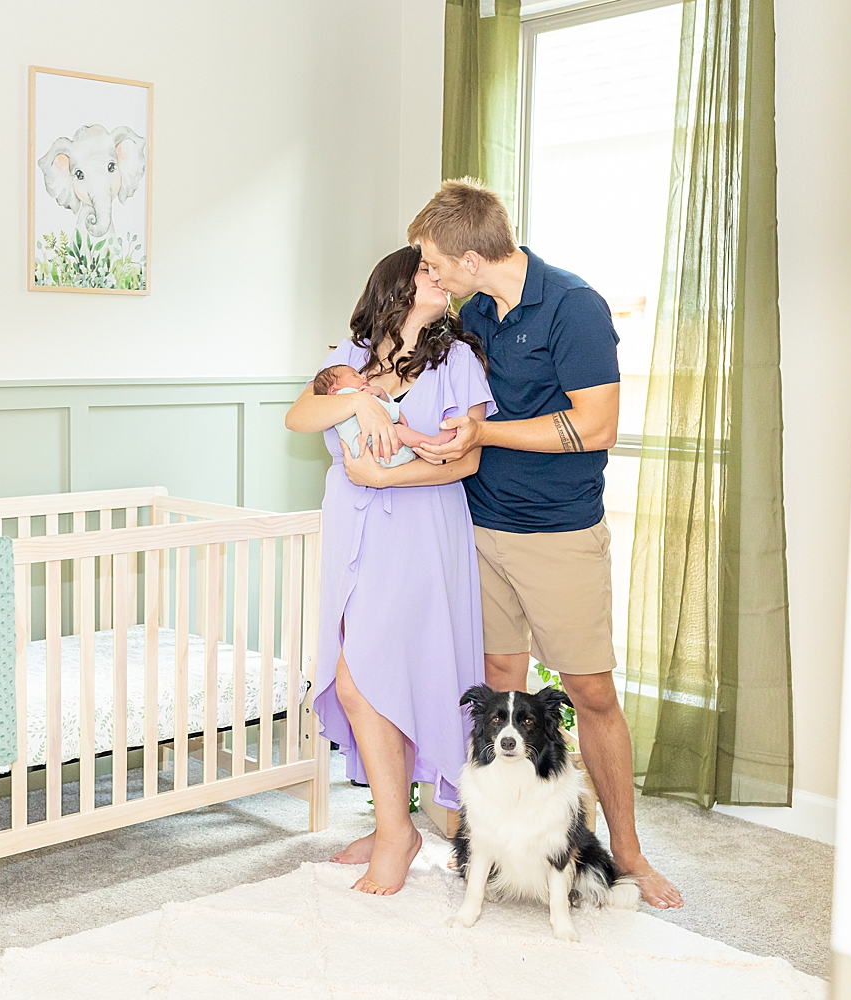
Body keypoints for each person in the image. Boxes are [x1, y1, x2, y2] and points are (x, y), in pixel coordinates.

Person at [408, 177, 684, 910]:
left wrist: (485, 432)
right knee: (503, 690)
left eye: (435, 263)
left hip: (558, 532)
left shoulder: (573, 306)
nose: (430, 277)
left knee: (590, 692)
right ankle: (501, 843)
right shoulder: (477, 314)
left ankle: (627, 853)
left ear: (471, 257)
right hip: (480, 523)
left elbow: (595, 428)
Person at [285, 245, 496, 895]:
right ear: (396, 284)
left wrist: (384, 473)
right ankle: (390, 825)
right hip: (356, 532)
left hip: (421, 533)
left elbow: (463, 462)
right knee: (376, 681)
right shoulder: (346, 364)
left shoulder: (458, 361)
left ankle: (397, 834)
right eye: (428, 270)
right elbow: (300, 417)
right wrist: (361, 405)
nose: (442, 279)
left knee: (362, 682)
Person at [311, 364, 459, 467]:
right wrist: (396, 413)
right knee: (399, 431)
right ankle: (434, 442)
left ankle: (420, 451)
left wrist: (381, 393)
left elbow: (378, 409)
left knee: (400, 435)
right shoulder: (345, 395)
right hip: (370, 447)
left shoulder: (344, 402)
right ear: (333, 389)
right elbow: (380, 411)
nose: (362, 376)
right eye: (354, 375)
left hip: (375, 451)